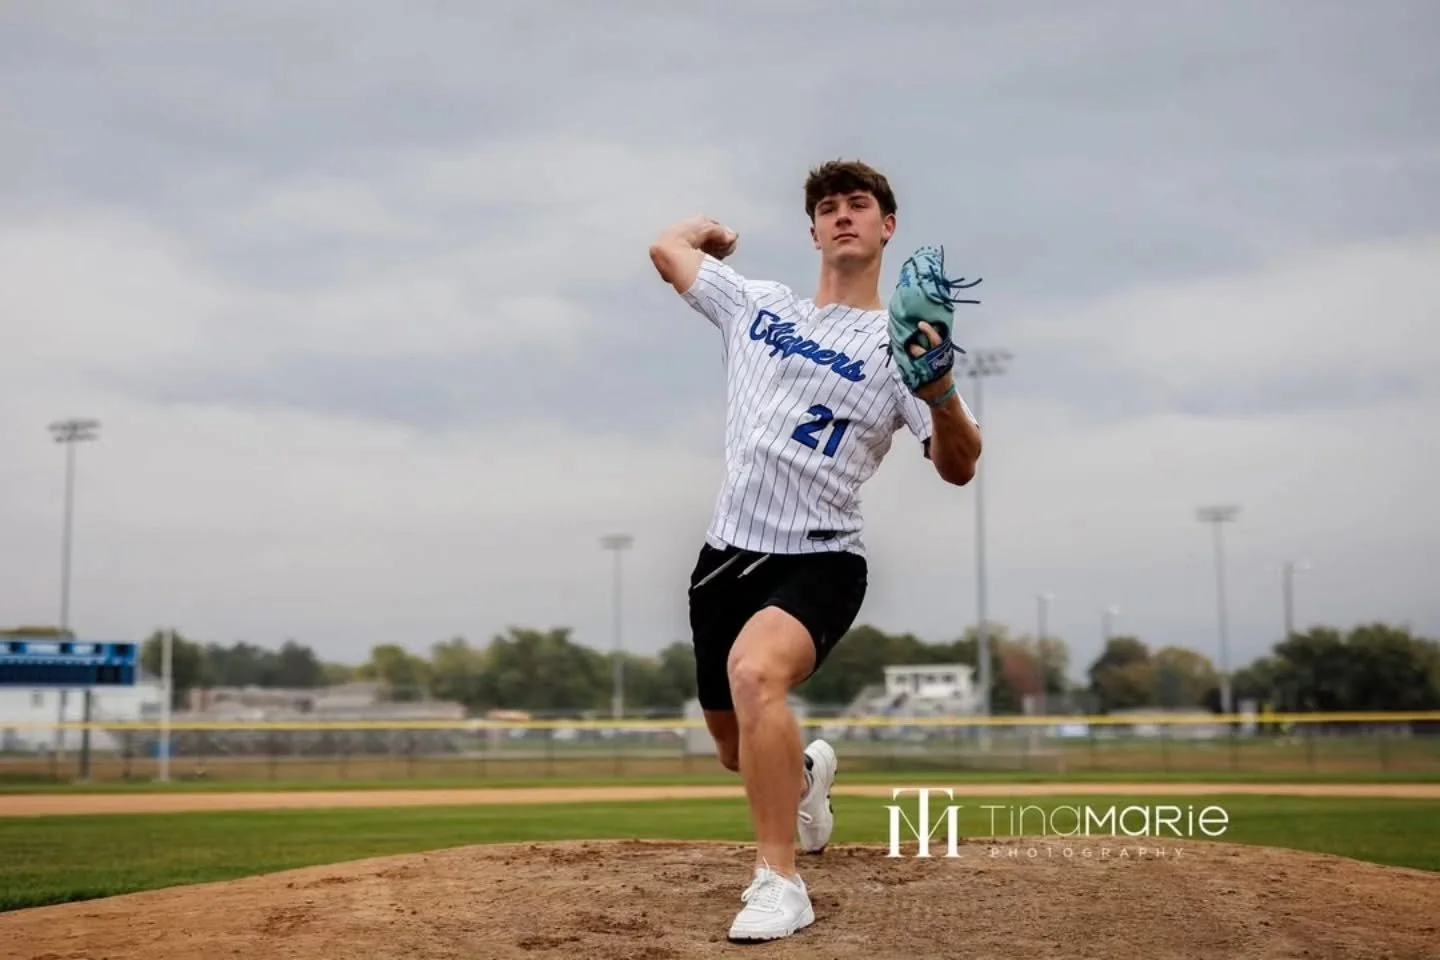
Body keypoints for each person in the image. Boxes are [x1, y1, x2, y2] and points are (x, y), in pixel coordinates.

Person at [647, 159, 983, 943]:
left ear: (886, 226)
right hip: (724, 561)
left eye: (859, 205)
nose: (842, 216)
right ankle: (805, 777)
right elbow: (669, 251)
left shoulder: (903, 350)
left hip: (822, 558)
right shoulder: (759, 306)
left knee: (755, 672)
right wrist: (713, 235)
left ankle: (780, 882)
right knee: (737, 753)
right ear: (812, 232)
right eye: (828, 207)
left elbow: (960, 465)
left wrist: (938, 390)